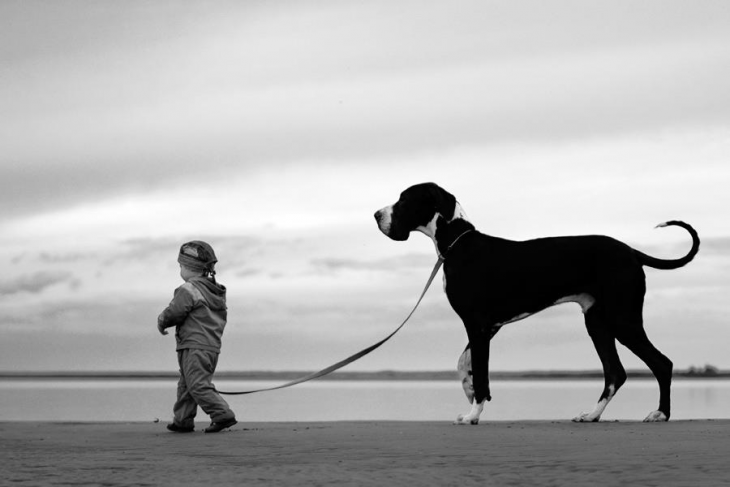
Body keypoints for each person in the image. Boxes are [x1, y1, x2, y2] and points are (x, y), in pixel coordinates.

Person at [157, 240, 237, 433]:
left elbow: (176, 311)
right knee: (187, 384)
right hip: (210, 346)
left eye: (180, 266)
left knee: (197, 384)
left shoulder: (189, 289)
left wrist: (162, 320)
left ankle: (222, 414)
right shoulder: (214, 291)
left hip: (194, 344)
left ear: (188, 268)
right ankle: (182, 420)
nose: (180, 271)